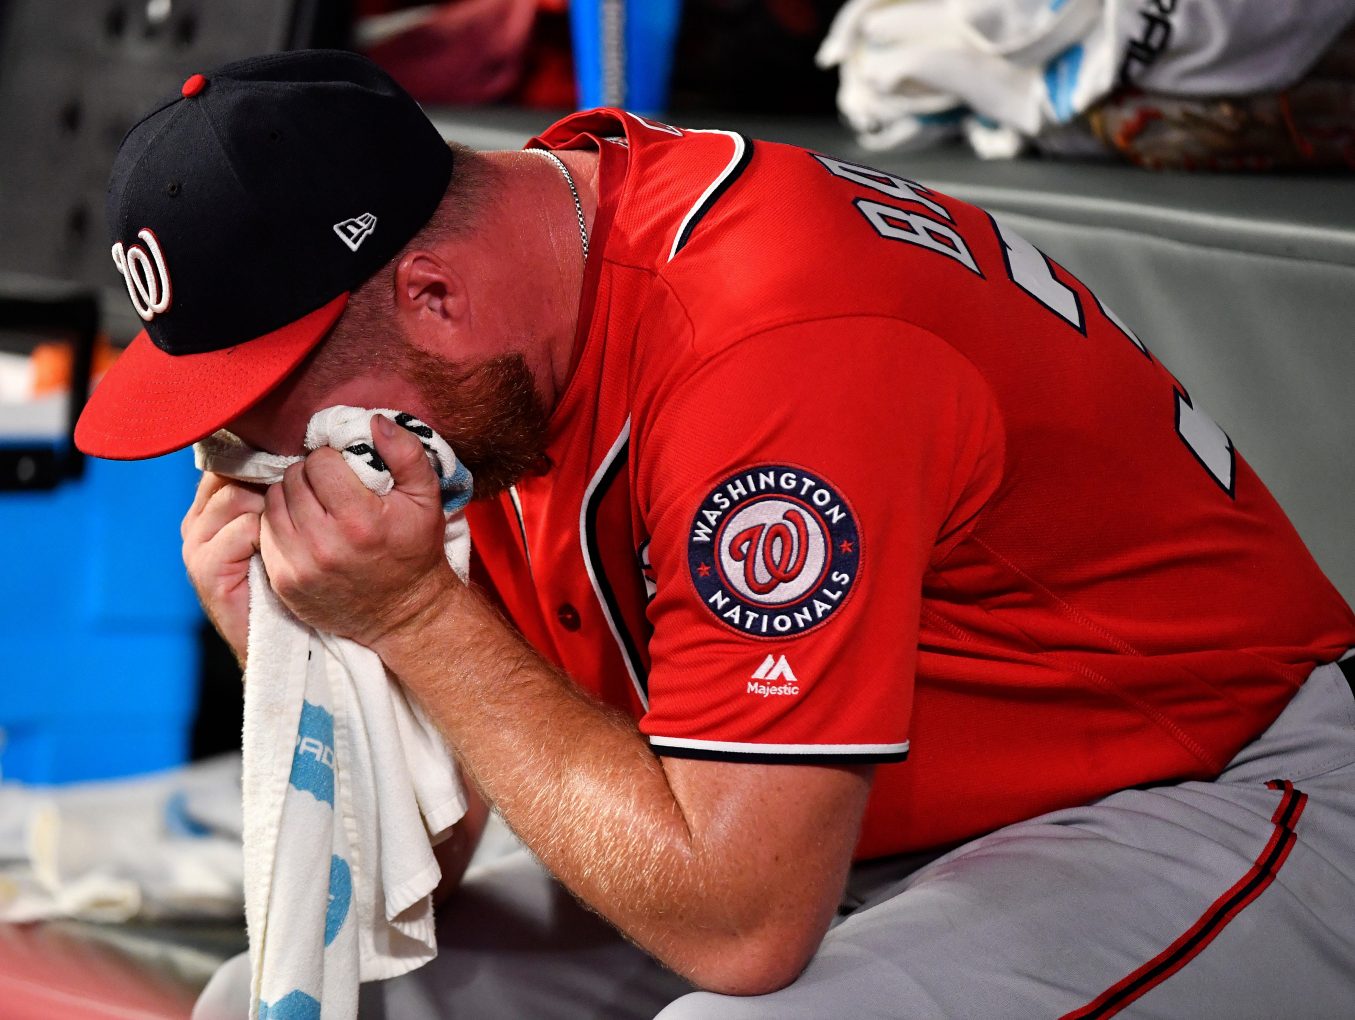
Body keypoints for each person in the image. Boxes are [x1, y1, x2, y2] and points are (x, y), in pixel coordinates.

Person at [76, 49, 1355, 1018]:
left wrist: (415, 614)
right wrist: (291, 630)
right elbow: (437, 854)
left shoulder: (768, 347)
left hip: (1211, 795)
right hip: (846, 838)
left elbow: (744, 924)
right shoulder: (509, 320)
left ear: (432, 295)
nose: (245, 456)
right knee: (289, 996)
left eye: (268, 405)